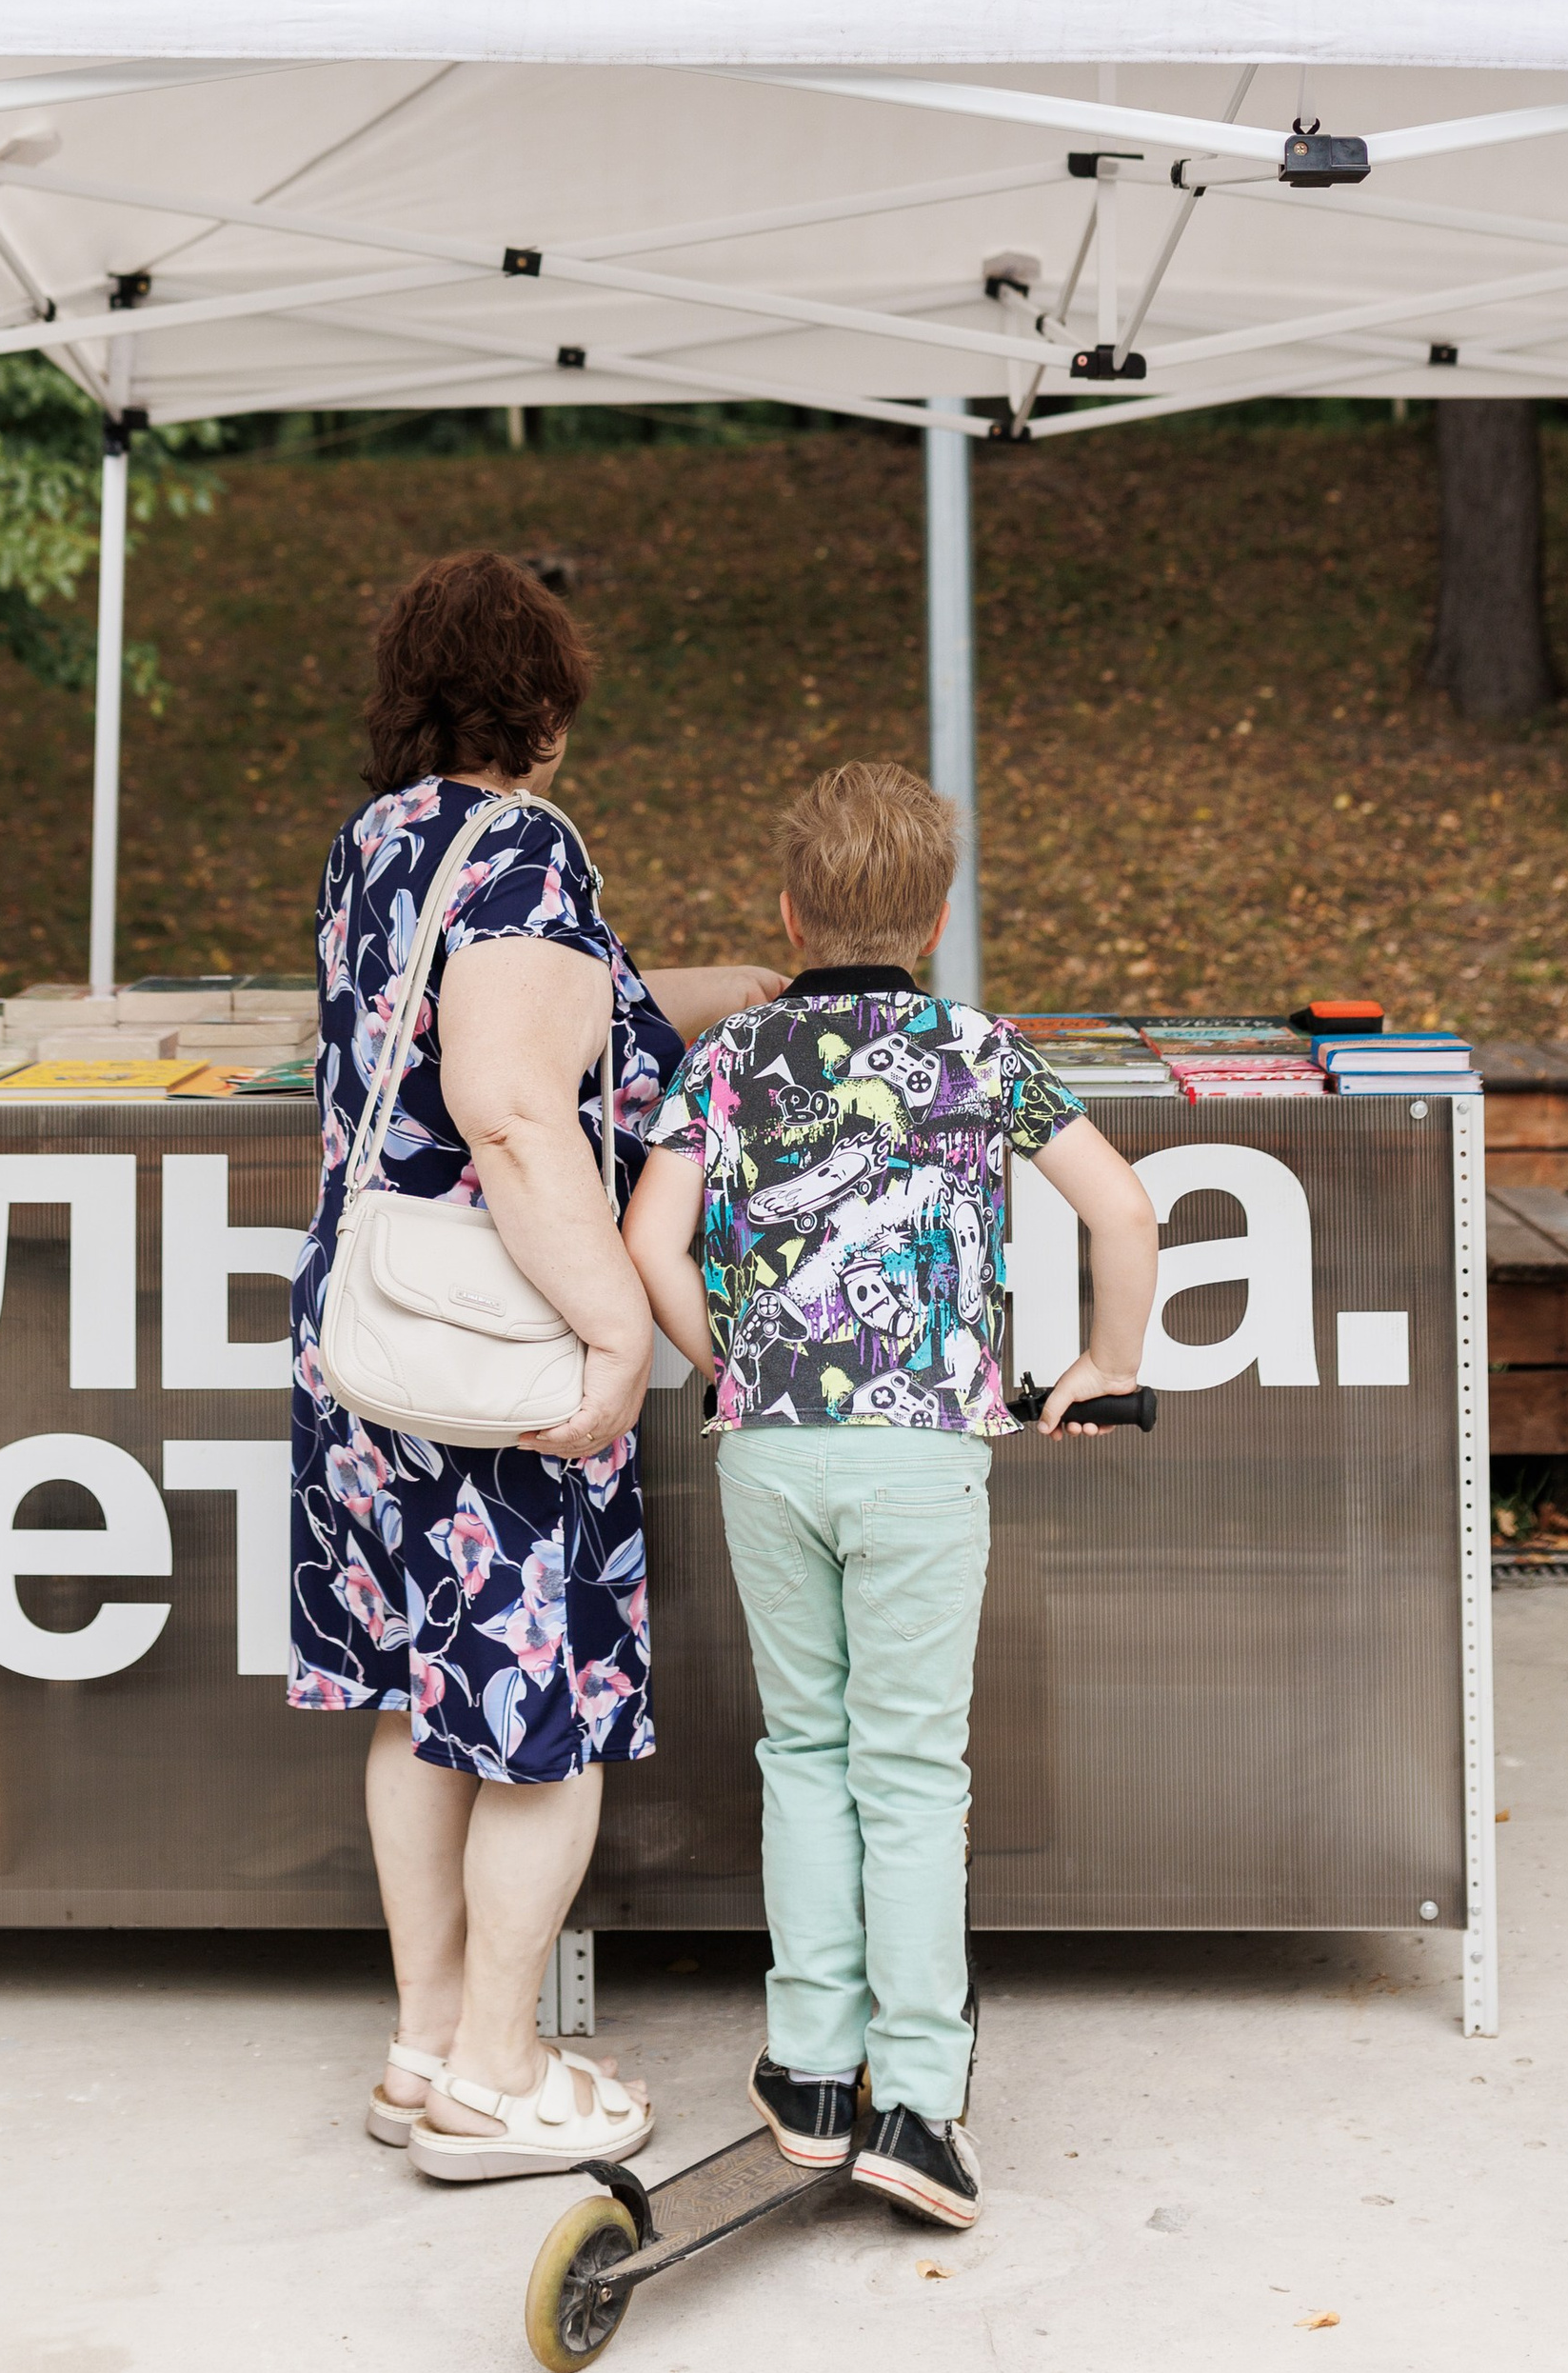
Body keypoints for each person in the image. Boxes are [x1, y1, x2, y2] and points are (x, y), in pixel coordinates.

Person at [290, 547, 784, 2184]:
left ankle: (427, 2045)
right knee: (534, 1715)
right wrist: (616, 1322)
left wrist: (734, 995)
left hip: (373, 1343)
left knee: (419, 1696)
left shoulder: (383, 846)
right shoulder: (530, 849)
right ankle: (501, 2078)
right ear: (548, 704)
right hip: (502, 1344)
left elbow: (547, 1026)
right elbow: (510, 1102)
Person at [625, 759, 1161, 2232]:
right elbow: (1122, 1205)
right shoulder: (978, 1051)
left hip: (770, 1448)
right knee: (910, 1766)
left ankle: (808, 2066)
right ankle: (917, 2102)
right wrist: (1102, 1365)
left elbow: (650, 1238)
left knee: (804, 1744)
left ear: (788, 910)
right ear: (936, 916)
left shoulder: (727, 1059)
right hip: (923, 1455)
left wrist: (728, 1358)